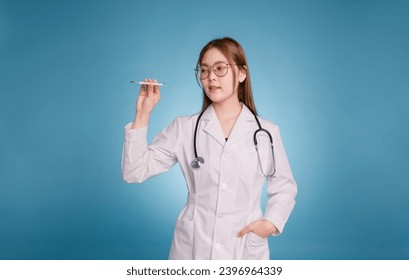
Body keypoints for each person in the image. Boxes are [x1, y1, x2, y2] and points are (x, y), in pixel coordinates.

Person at [122, 37, 297, 260]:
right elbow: (133, 171)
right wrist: (143, 113)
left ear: (242, 74)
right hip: (193, 245)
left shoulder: (266, 131)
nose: (211, 77)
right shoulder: (184, 128)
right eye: (204, 70)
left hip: (244, 246)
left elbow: (284, 186)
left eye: (220, 68)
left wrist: (270, 222)